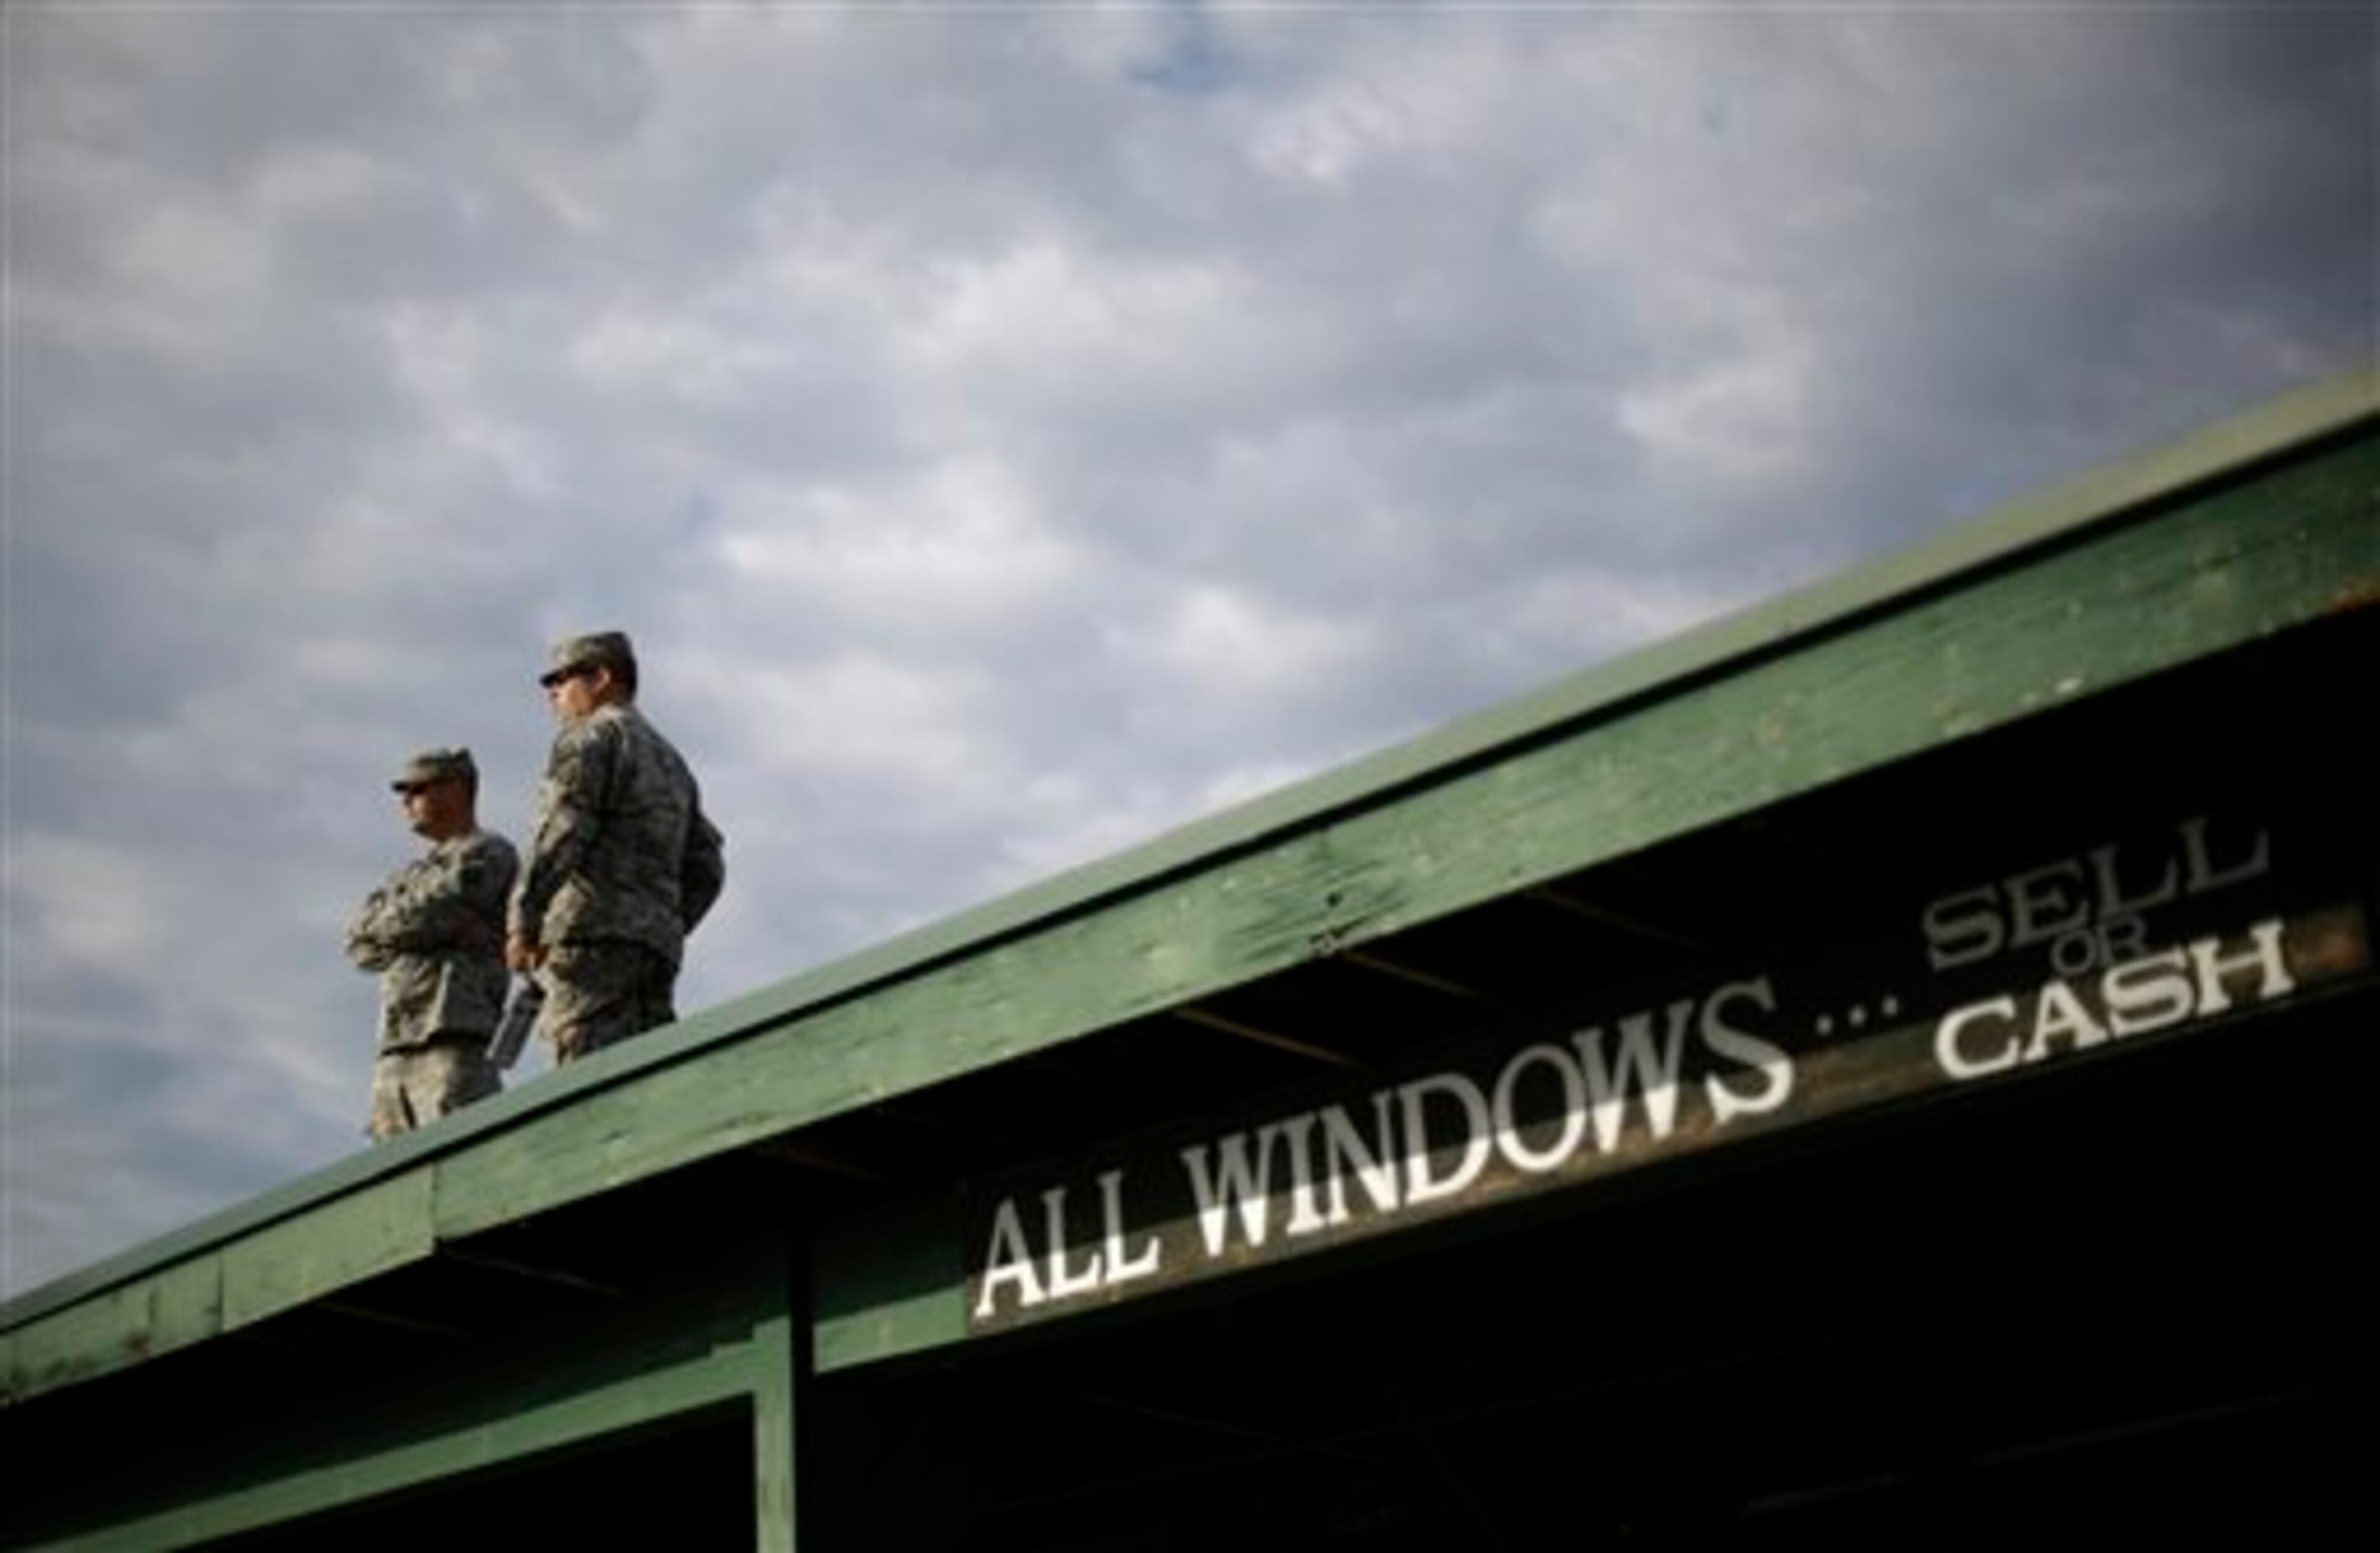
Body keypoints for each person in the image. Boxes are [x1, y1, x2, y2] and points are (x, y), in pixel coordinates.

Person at [507, 630, 725, 1061]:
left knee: (586, 1080)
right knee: (646, 1078)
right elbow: (708, 863)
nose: (551, 693)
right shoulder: (672, 761)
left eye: (560, 679)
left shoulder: (591, 737)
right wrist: (664, 923)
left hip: (590, 944)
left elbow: (562, 829)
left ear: (602, 676)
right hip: (652, 953)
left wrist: (524, 919)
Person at [345, 748, 519, 1139]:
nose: (407, 801)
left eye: (418, 789)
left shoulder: (487, 852)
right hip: (397, 1041)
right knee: (391, 1173)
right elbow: (358, 942)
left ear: (457, 790)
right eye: (404, 792)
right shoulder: (410, 874)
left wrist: (403, 927)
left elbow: (433, 911)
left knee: (460, 1157)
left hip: (453, 1031)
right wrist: (421, 930)